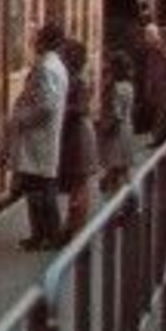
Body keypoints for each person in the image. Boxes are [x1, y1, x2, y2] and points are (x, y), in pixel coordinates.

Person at [7, 21, 68, 251]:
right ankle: (43, 235)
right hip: (42, 139)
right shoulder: (56, 65)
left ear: (45, 41)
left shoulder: (46, 67)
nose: (34, 42)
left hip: (37, 139)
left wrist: (23, 118)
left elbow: (47, 105)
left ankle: (45, 235)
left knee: (39, 189)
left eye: (39, 38)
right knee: (40, 187)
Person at [57, 37, 101, 240]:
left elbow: (82, 107)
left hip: (79, 136)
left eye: (63, 54)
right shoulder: (74, 78)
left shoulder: (78, 81)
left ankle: (77, 228)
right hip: (76, 134)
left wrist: (60, 111)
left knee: (79, 183)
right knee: (77, 182)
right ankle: (72, 224)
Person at [99, 49, 137, 195]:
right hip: (127, 130)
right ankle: (129, 200)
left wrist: (104, 128)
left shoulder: (116, 88)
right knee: (124, 169)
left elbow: (116, 114)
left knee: (114, 169)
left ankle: (115, 203)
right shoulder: (129, 86)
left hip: (116, 134)